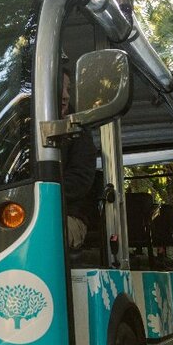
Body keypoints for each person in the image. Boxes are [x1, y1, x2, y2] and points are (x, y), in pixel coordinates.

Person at [60, 65, 98, 249]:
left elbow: (81, 178)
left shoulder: (78, 129)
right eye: (59, 88)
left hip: (68, 215)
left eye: (68, 88)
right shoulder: (19, 128)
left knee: (45, 236)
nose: (66, 95)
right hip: (21, 213)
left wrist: (38, 198)